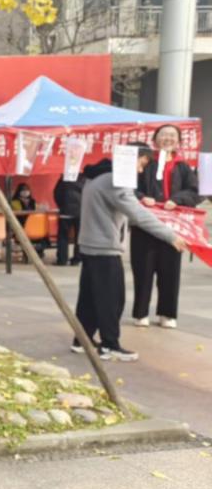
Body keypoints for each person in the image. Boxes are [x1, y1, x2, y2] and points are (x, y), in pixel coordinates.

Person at [73, 151, 187, 362]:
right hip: (104, 247)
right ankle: (109, 345)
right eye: (141, 164)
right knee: (112, 300)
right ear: (129, 159)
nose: (141, 170)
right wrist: (170, 235)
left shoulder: (97, 175)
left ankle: (82, 340)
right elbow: (138, 214)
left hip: (90, 244)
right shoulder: (116, 181)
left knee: (89, 297)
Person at [130, 128, 200, 329]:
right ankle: (140, 313)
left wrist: (177, 200)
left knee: (170, 271)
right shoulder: (144, 163)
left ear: (178, 142)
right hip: (145, 224)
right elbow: (130, 187)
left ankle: (167, 313)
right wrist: (143, 197)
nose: (168, 138)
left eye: (172, 136)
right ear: (154, 140)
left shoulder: (183, 167)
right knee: (142, 270)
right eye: (163, 135)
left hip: (173, 227)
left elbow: (194, 192)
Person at [53, 175, 84, 266]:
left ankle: (62, 260)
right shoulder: (84, 179)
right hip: (80, 213)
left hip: (65, 212)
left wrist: (61, 206)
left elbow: (57, 193)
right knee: (79, 237)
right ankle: (77, 259)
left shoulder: (64, 178)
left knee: (63, 236)